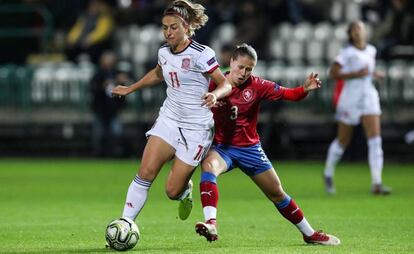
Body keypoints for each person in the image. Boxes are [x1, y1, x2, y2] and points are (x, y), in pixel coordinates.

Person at [195, 44, 340, 245]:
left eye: (249, 69)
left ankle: (309, 233)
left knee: (277, 193)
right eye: (240, 67)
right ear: (231, 63)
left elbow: (291, 94)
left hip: (250, 149)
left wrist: (305, 89)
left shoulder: (258, 86)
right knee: (208, 166)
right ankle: (211, 223)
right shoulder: (213, 85)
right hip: (223, 148)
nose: (244, 73)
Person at [110, 0, 232, 231]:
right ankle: (125, 223)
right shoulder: (163, 52)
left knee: (171, 190)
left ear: (186, 27)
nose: (168, 32)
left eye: (173, 27)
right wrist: (130, 88)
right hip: (170, 119)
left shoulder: (201, 54)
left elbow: (225, 83)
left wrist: (215, 95)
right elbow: (158, 73)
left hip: (197, 128)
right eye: (165, 27)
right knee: (145, 172)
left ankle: (185, 191)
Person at [323, 21, 391, 195]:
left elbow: (367, 71)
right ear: (351, 34)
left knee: (375, 140)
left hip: (368, 96)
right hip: (350, 99)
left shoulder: (371, 50)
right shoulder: (346, 53)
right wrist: (355, 74)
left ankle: (377, 182)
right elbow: (333, 73)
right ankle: (328, 172)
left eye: (360, 28)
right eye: (354, 29)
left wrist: (375, 74)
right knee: (343, 141)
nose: (358, 32)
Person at [90, 50, 129, 157]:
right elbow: (92, 89)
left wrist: (120, 81)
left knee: (116, 133)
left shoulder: (118, 74)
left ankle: (115, 154)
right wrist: (102, 86)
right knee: (99, 134)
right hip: (100, 109)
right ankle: (98, 154)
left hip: (114, 109)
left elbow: (125, 90)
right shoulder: (98, 75)